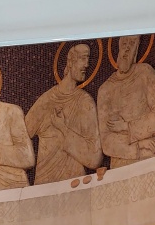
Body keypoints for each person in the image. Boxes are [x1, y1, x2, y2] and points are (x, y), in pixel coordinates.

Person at [25, 44, 102, 184]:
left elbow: (94, 158)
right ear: (70, 62)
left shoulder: (85, 102)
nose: (87, 65)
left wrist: (64, 129)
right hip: (44, 183)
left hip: (74, 183)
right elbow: (23, 136)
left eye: (88, 59)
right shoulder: (47, 100)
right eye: (83, 58)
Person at [97, 35, 155, 168]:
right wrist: (138, 146)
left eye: (132, 45)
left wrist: (127, 126)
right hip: (120, 162)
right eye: (124, 44)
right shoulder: (105, 89)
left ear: (136, 51)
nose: (127, 49)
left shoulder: (145, 72)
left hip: (149, 156)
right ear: (119, 48)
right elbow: (106, 141)